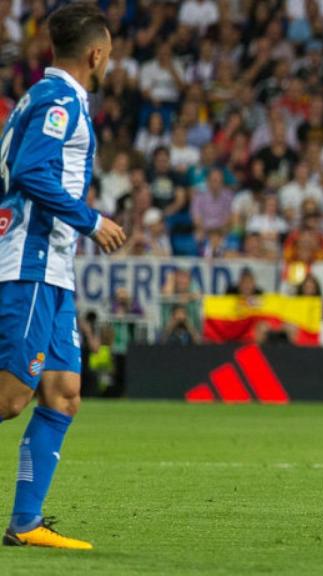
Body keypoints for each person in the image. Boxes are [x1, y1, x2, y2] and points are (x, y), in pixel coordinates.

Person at [0, 4, 124, 549]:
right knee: (8, 398)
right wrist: (91, 219)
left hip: (54, 268)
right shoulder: (57, 99)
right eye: (110, 51)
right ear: (96, 52)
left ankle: (25, 524)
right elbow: (29, 171)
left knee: (64, 391)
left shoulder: (50, 97)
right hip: (29, 263)